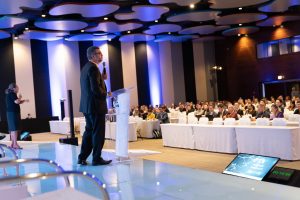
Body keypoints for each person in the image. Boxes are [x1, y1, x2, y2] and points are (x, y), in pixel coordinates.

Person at [78, 46, 112, 166]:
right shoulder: (93, 68)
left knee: (89, 132)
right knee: (98, 133)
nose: (101, 55)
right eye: (98, 54)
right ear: (92, 56)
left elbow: (90, 85)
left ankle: (82, 157)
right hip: (96, 106)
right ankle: (96, 158)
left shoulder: (86, 67)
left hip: (87, 106)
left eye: (101, 53)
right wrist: (107, 94)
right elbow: (95, 90)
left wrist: (101, 79)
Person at [5, 83, 29, 149]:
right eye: (17, 87)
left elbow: (17, 102)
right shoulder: (12, 94)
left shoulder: (10, 94)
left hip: (11, 113)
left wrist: (24, 100)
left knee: (12, 129)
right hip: (13, 113)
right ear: (14, 88)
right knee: (14, 129)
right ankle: (15, 144)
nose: (18, 89)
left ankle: (13, 144)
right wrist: (20, 97)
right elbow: (16, 102)